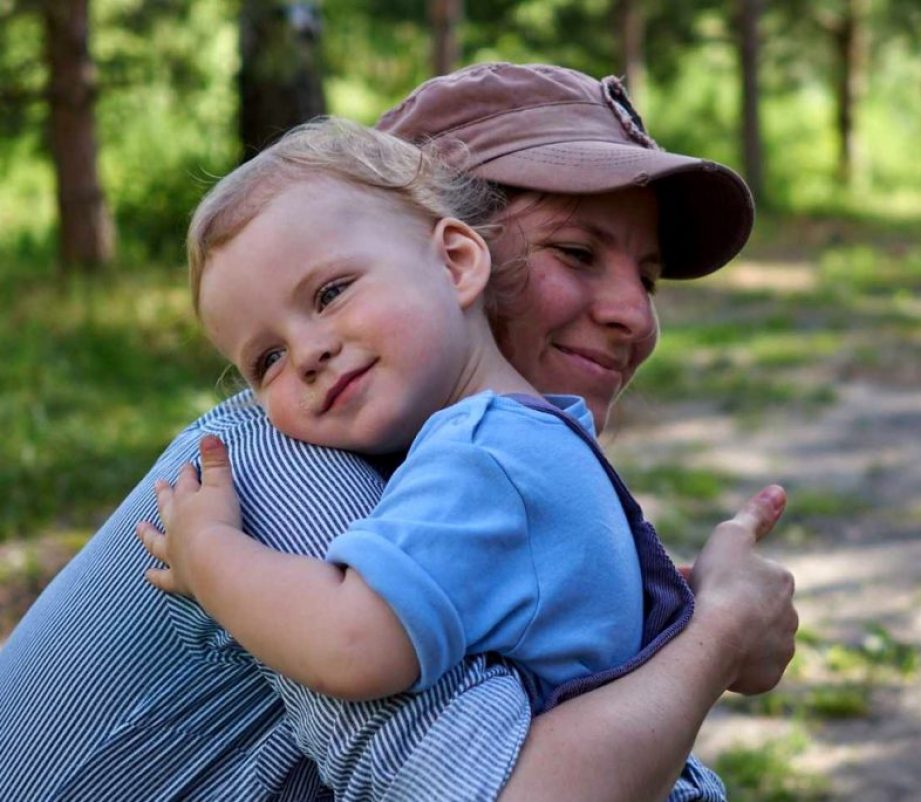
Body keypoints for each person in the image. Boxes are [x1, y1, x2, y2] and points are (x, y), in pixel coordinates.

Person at [0, 63, 797, 802]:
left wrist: (684, 625)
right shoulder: (273, 470)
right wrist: (715, 640)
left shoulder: (491, 456)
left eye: (647, 276)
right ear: (458, 256)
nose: (636, 314)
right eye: (577, 251)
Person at [136, 117, 698, 722]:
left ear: (456, 264)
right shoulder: (529, 437)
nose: (307, 355)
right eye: (266, 358)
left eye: (330, 294)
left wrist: (207, 552)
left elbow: (351, 646)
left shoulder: (484, 456)